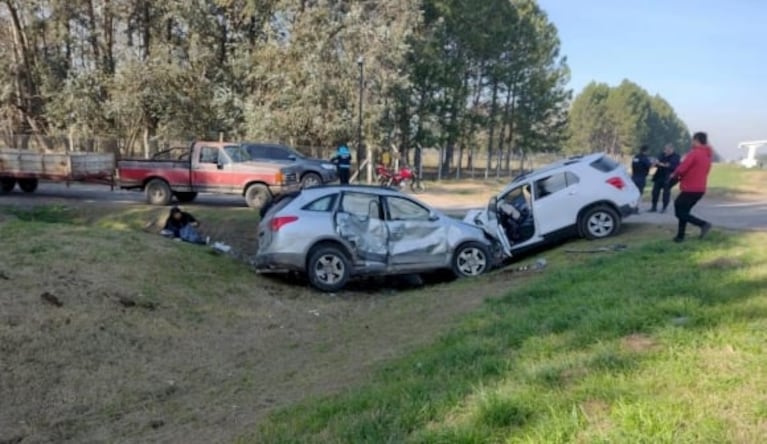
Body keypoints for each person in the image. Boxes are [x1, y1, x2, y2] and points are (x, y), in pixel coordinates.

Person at [668, 132, 713, 243]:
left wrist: (673, 177)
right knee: (684, 212)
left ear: (697, 140)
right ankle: (680, 236)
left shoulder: (694, 153)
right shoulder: (707, 156)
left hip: (690, 189)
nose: (691, 142)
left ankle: (703, 224)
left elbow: (682, 168)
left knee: (679, 210)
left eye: (693, 140)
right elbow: (705, 172)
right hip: (700, 189)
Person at [649, 143, 681, 213]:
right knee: (655, 192)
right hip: (659, 176)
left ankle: (664, 207)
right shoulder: (662, 155)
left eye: (668, 149)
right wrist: (655, 163)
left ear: (672, 149)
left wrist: (659, 163)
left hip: (669, 177)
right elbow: (656, 162)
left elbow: (670, 166)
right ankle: (653, 207)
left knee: (666, 193)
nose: (666, 151)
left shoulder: (676, 156)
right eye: (665, 149)